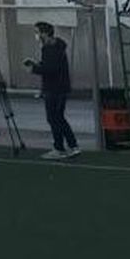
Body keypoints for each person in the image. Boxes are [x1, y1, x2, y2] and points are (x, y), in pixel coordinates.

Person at [23, 21, 77, 159]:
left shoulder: (49, 48)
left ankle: (59, 148)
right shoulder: (57, 46)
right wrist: (37, 64)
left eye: (37, 32)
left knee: (53, 118)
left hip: (54, 89)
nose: (36, 35)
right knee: (59, 117)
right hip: (61, 87)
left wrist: (34, 69)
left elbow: (50, 69)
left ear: (44, 33)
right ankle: (73, 145)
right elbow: (51, 65)